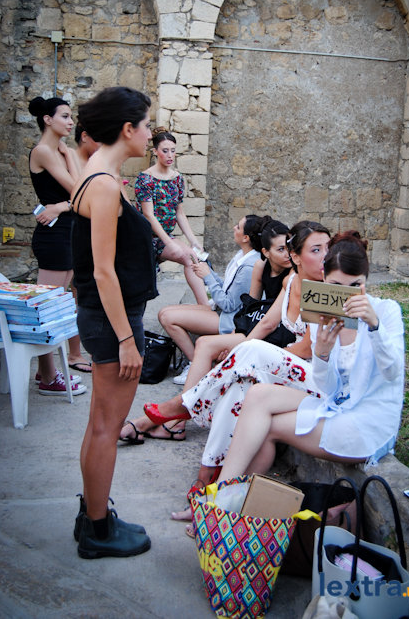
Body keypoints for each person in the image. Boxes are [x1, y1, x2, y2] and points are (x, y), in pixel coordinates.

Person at [143, 221, 331, 510]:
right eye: (316, 250)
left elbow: (307, 348)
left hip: (317, 375)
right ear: (296, 256)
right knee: (238, 387)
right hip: (293, 371)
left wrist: (260, 354)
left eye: (328, 248)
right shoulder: (291, 281)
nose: (326, 256)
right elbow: (267, 323)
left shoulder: (326, 289)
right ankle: (207, 477)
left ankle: (185, 404)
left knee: (253, 352)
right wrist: (239, 355)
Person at [217, 231, 405, 486]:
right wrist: (323, 354)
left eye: (355, 287)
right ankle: (224, 493)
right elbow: (327, 388)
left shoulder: (386, 310)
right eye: (336, 286)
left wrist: (374, 326)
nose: (346, 296)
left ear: (366, 280)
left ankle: (226, 494)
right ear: (324, 278)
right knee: (258, 395)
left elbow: (392, 373)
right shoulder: (322, 309)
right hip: (336, 404)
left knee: (267, 427)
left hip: (368, 420)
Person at [71, 86, 155, 558]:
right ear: (127, 128)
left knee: (98, 424)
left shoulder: (96, 173)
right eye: (146, 125)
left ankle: (92, 515)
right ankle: (99, 533)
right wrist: (126, 339)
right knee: (107, 427)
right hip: (112, 321)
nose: (150, 134)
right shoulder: (103, 183)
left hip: (104, 317)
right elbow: (102, 271)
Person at [119, 217, 292, 442]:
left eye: (289, 247)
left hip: (275, 336)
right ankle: (174, 420)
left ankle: (170, 417)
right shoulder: (260, 265)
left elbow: (266, 321)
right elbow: (249, 310)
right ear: (265, 252)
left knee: (207, 348)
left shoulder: (290, 276)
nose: (289, 254)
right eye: (281, 249)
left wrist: (237, 347)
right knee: (202, 342)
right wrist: (233, 339)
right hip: (253, 331)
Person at [157, 214, 264, 387]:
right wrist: (206, 271)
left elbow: (229, 304)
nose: (234, 228)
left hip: (229, 319)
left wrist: (207, 277)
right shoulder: (241, 255)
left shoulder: (250, 266)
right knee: (165, 312)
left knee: (167, 318)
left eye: (238, 226)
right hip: (223, 312)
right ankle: (197, 362)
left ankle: (197, 365)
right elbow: (227, 289)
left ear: (246, 238)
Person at [28, 96, 89, 390]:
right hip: (53, 237)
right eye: (64, 116)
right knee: (47, 308)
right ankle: (49, 377)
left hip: (67, 232)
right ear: (47, 120)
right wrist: (66, 204)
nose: (70, 122)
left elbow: (82, 192)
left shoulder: (63, 152)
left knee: (60, 305)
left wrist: (68, 155)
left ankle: (47, 373)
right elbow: (79, 190)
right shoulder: (42, 150)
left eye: (70, 116)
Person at [135, 129, 209, 306]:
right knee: (142, 287)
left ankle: (205, 307)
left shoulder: (177, 178)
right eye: (165, 150)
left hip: (164, 237)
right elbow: (148, 215)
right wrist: (169, 243)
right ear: (155, 151)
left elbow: (179, 213)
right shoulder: (145, 179)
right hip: (143, 237)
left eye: (173, 150)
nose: (170, 155)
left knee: (191, 257)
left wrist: (194, 241)